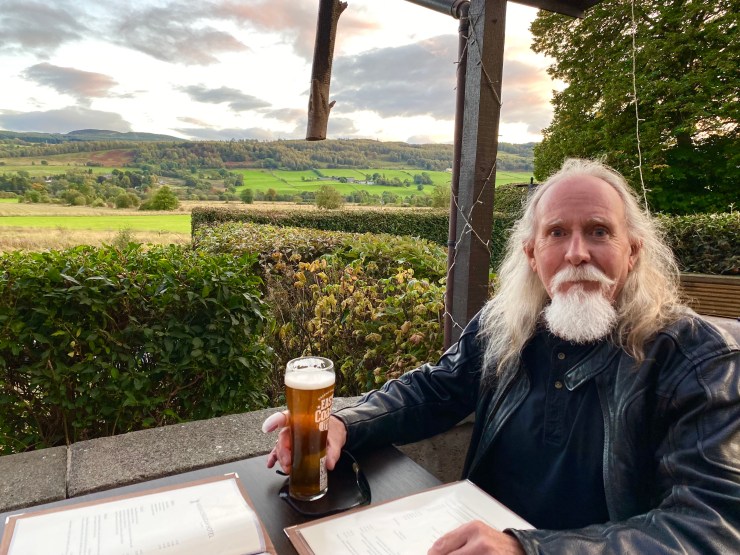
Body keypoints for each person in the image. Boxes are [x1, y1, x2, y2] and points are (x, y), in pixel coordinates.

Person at [264, 158, 740, 554]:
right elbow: (435, 389)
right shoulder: (506, 324)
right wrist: (344, 424)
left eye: (599, 231)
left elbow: (711, 528)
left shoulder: (698, 360)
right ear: (532, 254)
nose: (577, 253)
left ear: (632, 251)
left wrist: (527, 549)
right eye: (557, 233)